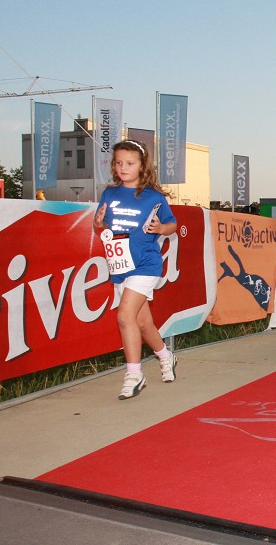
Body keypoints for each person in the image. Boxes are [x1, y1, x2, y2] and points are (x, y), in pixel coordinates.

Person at [93, 140, 178, 400]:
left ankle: (134, 373)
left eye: (129, 163)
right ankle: (165, 356)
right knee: (142, 323)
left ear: (142, 166)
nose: (123, 167)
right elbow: (102, 223)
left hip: (146, 265)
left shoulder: (153, 197)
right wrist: (98, 222)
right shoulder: (109, 194)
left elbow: (171, 224)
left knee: (124, 315)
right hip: (120, 267)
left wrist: (160, 229)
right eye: (118, 163)